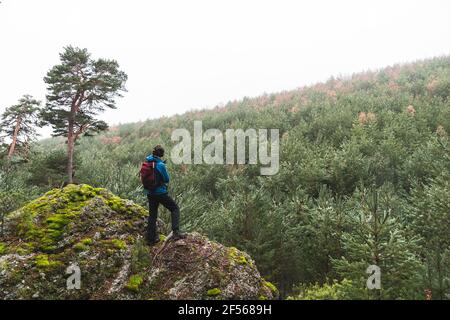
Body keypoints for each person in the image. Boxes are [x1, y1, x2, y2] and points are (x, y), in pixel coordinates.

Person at [144, 145, 186, 245]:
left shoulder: (147, 162)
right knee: (175, 208)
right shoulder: (160, 165)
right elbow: (166, 179)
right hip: (160, 193)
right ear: (161, 154)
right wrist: (162, 168)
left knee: (152, 215)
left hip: (150, 193)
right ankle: (176, 232)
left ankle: (151, 240)